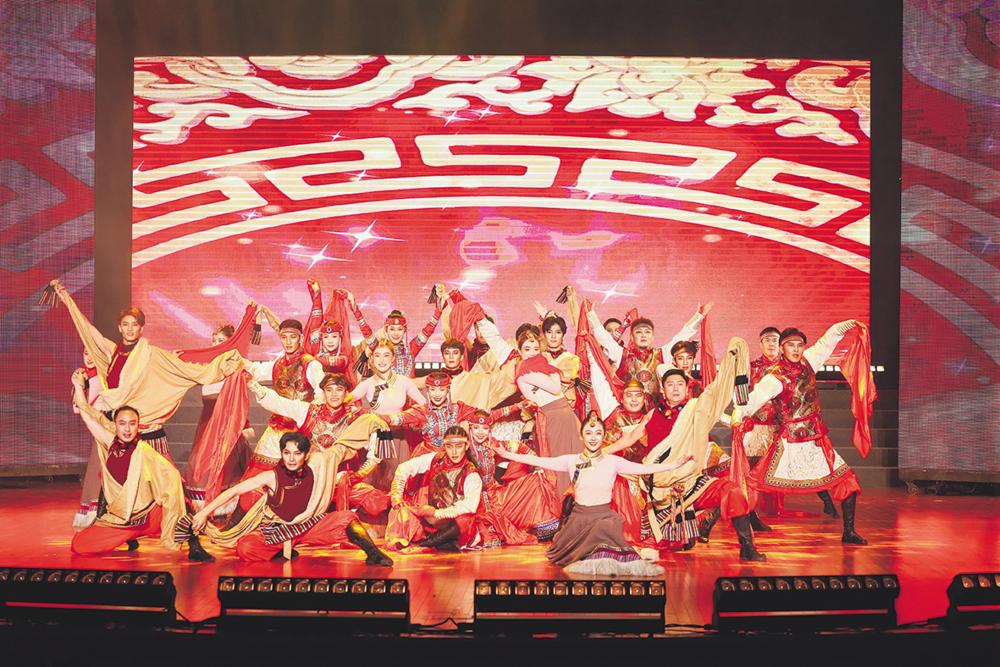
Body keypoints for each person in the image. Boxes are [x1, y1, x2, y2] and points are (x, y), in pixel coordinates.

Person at [49, 279, 242, 458]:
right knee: (120, 476)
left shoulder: (151, 355)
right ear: (119, 328)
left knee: (156, 479)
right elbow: (88, 330)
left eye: (134, 325)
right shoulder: (113, 352)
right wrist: (66, 298)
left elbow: (188, 371)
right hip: (118, 427)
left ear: (141, 328)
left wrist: (224, 361)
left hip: (146, 428)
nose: (129, 329)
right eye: (125, 325)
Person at [491, 412, 692, 576]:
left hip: (603, 517)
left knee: (605, 531)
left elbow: (645, 469)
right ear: (581, 436)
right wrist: (507, 454)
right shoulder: (571, 461)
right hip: (579, 519)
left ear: (603, 437)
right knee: (557, 553)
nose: (593, 437)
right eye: (589, 433)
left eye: (598, 433)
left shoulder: (613, 461)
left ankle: (610, 553)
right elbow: (539, 461)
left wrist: (675, 464)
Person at [733, 322, 870, 546]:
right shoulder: (775, 378)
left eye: (799, 345)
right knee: (749, 484)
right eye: (791, 345)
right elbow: (753, 401)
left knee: (848, 482)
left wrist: (849, 325)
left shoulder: (809, 361)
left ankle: (849, 532)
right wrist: (738, 415)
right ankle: (730, 529)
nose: (796, 349)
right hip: (789, 444)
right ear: (782, 348)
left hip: (816, 442)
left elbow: (828, 340)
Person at [639, 338, 768, 561]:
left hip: (692, 477)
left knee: (732, 489)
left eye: (680, 384)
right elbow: (630, 436)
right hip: (662, 488)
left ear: (686, 388)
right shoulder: (652, 414)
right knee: (674, 544)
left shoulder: (695, 406)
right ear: (663, 389)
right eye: (670, 385)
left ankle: (747, 547)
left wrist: (731, 359)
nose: (676, 388)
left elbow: (716, 393)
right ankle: (692, 528)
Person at [68, 370, 214, 561]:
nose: (127, 429)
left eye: (132, 424)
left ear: (138, 426)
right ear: (115, 425)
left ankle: (194, 545)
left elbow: (171, 480)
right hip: (122, 520)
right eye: (122, 424)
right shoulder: (110, 442)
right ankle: (128, 537)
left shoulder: (145, 452)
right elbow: (87, 415)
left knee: (180, 495)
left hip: (148, 517)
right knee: (79, 545)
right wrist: (78, 386)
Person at [188, 432, 392, 565]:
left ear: (306, 454)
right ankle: (279, 552)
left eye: (297, 453)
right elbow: (234, 491)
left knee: (346, 518)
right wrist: (204, 513)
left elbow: (347, 442)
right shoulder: (271, 476)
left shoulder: (318, 465)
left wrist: (376, 425)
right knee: (245, 547)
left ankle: (373, 554)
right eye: (287, 453)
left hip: (308, 526)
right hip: (278, 530)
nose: (291, 459)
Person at [247, 371, 392, 518]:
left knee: (376, 502)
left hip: (340, 480)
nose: (334, 395)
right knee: (260, 499)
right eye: (329, 390)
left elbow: (381, 435)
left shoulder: (355, 417)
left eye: (339, 390)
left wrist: (361, 473)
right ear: (323, 393)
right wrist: (252, 384)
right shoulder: (308, 411)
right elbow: (277, 403)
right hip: (308, 480)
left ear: (346, 393)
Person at [237, 318, 324, 511]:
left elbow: (322, 393)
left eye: (293, 337)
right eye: (284, 337)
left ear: (301, 338)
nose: (288, 341)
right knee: (258, 477)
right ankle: (251, 517)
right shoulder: (278, 363)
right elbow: (255, 370)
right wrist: (236, 358)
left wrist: (307, 415)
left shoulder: (311, 365)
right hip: (277, 427)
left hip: (300, 429)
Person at [184, 323, 252, 513]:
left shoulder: (234, 371)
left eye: (221, 341)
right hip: (206, 426)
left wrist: (245, 425)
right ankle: (204, 507)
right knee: (200, 465)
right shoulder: (207, 368)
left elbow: (240, 401)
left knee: (225, 466)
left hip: (225, 428)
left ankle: (223, 508)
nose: (216, 345)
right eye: (214, 341)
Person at [466, 410, 562, 543]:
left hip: (496, 496)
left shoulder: (493, 445)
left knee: (536, 480)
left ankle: (541, 526)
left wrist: (537, 465)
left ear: (489, 430)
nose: (480, 432)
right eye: (476, 428)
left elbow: (521, 447)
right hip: (474, 499)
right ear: (470, 428)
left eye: (485, 428)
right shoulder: (464, 448)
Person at [380, 371, 526, 458]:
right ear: (428, 391)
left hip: (455, 457)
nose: (437, 394)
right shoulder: (422, 411)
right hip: (428, 460)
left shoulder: (458, 409)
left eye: (441, 390)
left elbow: (486, 416)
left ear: (448, 390)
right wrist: (371, 416)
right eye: (433, 390)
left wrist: (518, 406)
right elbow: (396, 419)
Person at [385, 427, 484, 551]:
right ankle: (428, 541)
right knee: (402, 508)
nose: (454, 452)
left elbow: (469, 506)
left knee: (465, 520)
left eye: (459, 446)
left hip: (454, 526)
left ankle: (425, 544)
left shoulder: (471, 474)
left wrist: (436, 513)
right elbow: (403, 468)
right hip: (432, 523)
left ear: (467, 445)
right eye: (449, 447)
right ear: (444, 446)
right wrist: (396, 496)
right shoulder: (435, 459)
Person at [351, 340, 427, 488]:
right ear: (371, 359)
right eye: (377, 355)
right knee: (380, 483)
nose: (382, 360)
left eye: (386, 355)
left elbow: (424, 406)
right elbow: (346, 401)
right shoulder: (367, 383)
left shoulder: (404, 382)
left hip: (400, 436)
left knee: (398, 483)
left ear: (393, 359)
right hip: (380, 435)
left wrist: (408, 417)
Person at [354, 285, 448, 377]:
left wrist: (438, 311)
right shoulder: (379, 349)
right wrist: (356, 311)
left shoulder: (411, 349)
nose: (396, 333)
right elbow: (366, 332)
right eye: (392, 329)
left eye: (399, 329)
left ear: (404, 330)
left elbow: (428, 330)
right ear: (386, 330)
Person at [73, 349, 105, 530]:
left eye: (92, 352)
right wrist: (80, 385)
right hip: (95, 422)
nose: (89, 357)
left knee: (99, 464)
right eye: (86, 353)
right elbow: (77, 407)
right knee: (96, 464)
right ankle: (91, 508)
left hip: (106, 422)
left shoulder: (105, 375)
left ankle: (95, 508)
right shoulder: (81, 375)